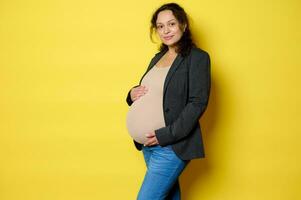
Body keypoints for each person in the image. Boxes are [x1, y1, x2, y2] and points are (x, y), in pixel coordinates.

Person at [125, 3, 211, 200]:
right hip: (148, 146)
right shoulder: (157, 58)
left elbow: (197, 102)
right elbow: (151, 92)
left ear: (183, 25)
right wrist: (130, 94)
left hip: (172, 145)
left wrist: (166, 135)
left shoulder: (197, 58)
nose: (166, 30)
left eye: (171, 24)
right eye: (160, 26)